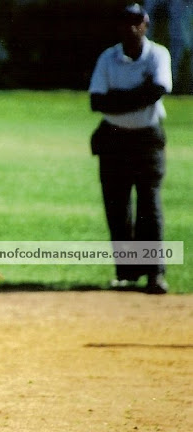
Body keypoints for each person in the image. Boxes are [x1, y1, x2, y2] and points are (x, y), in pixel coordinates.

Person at [89, 3, 173, 294]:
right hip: (112, 139)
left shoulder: (158, 54)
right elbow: (96, 102)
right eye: (125, 22)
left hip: (147, 139)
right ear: (119, 27)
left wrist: (119, 98)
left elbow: (159, 89)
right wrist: (140, 94)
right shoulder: (108, 58)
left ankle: (154, 274)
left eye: (137, 21)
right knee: (117, 207)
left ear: (145, 24)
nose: (131, 27)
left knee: (149, 206)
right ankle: (127, 273)